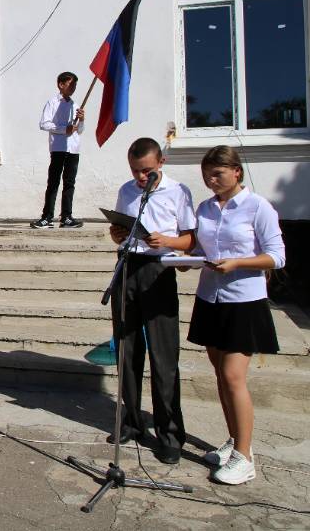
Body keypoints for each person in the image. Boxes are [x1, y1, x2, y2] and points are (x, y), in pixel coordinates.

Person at [187, 146, 285, 485]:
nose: (211, 181)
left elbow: (277, 256)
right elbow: (200, 249)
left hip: (244, 301)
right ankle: (233, 441)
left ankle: (245, 457)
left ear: (236, 172)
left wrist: (238, 263)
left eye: (218, 174)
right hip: (210, 298)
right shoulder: (206, 208)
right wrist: (182, 258)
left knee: (233, 377)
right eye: (207, 175)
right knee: (219, 375)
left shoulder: (258, 206)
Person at [108, 137, 196, 465]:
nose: (140, 178)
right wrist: (117, 234)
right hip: (128, 267)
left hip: (159, 270)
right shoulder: (127, 191)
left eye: (146, 171)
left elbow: (191, 238)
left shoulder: (178, 191)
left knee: (163, 356)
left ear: (161, 163)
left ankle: (170, 434)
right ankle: (132, 421)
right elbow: (120, 229)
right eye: (135, 171)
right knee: (127, 351)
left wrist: (168, 240)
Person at [31, 71, 85, 229]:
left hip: (73, 148)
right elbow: (44, 124)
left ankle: (66, 216)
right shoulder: (52, 103)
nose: (73, 87)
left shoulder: (75, 105)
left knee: (70, 183)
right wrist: (63, 129)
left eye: (75, 84)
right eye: (70, 84)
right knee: (53, 182)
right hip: (59, 148)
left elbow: (79, 130)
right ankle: (47, 216)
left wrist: (81, 120)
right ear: (61, 85)